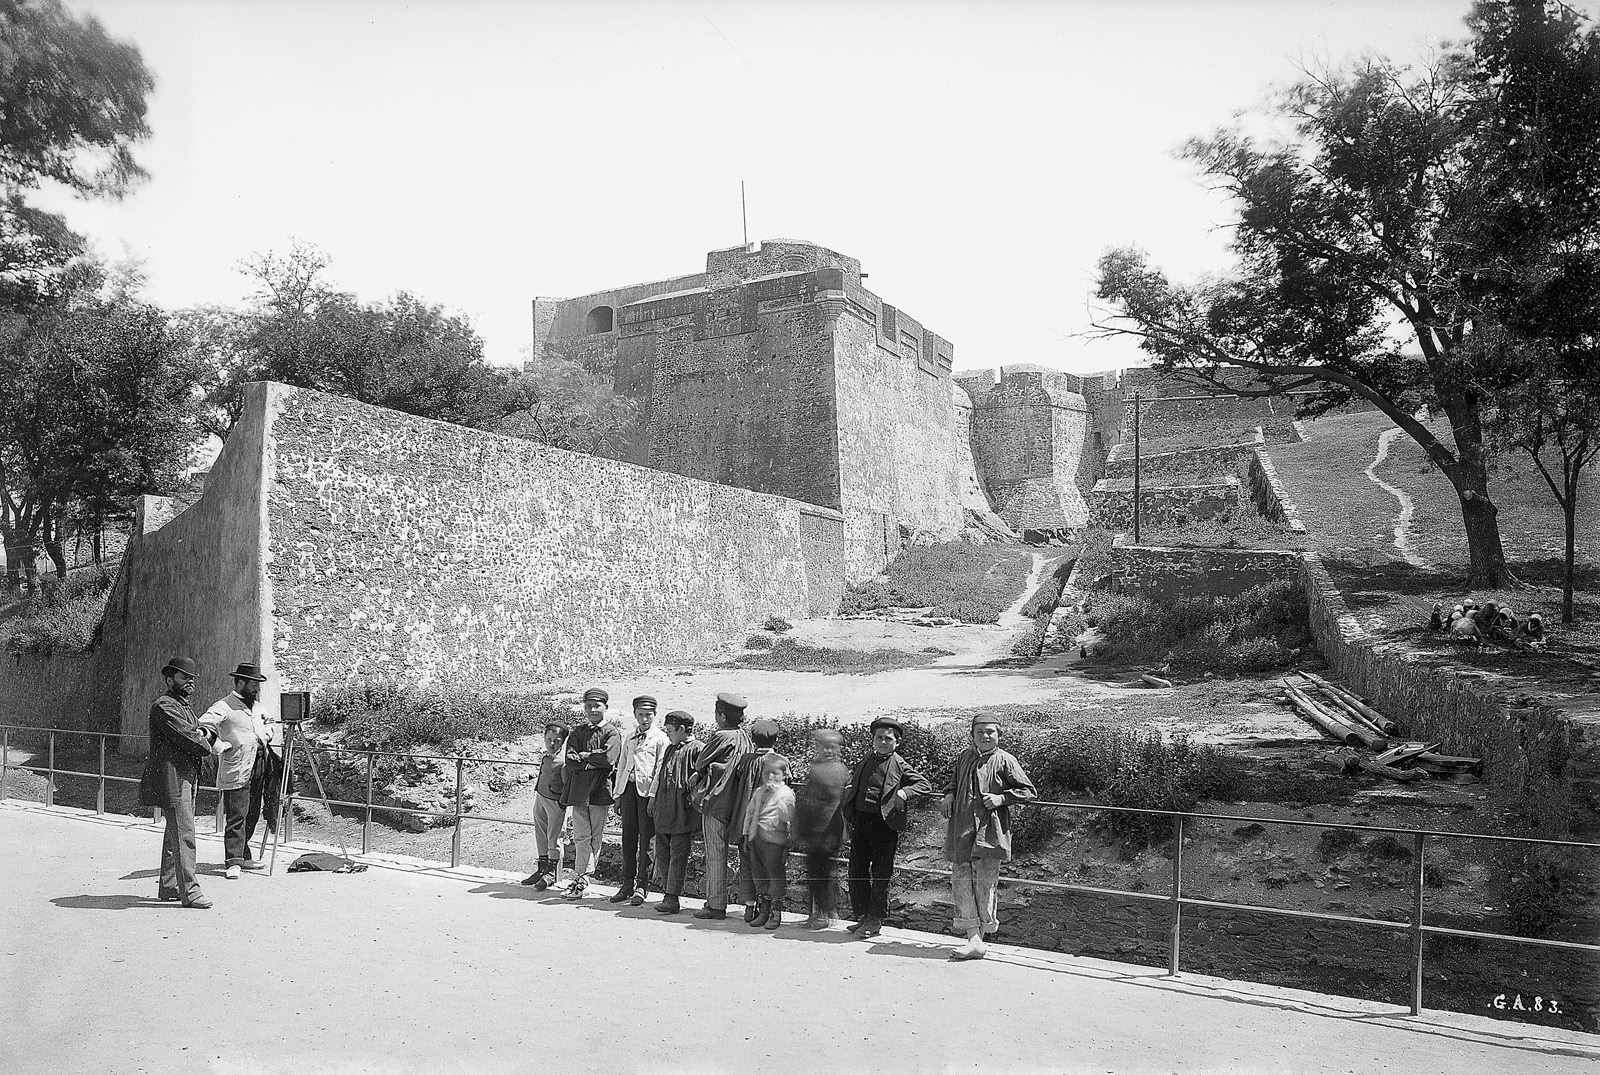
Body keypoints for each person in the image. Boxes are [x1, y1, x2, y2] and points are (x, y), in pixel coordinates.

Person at [940, 716, 1038, 961]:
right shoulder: (964, 756)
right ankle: (974, 937)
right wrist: (949, 794)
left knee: (985, 883)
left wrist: (1002, 798)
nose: (985, 736)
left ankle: (977, 940)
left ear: (998, 735)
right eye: (980, 732)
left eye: (990, 732)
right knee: (960, 880)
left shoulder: (1005, 759)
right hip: (961, 828)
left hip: (990, 831)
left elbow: (1029, 791)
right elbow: (953, 782)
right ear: (972, 734)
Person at [136, 656, 219, 909]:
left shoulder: (182, 706)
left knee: (176, 831)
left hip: (187, 775)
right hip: (173, 777)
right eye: (184, 678)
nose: (190, 682)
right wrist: (204, 737)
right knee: (184, 833)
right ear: (170, 679)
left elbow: (202, 730)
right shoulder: (165, 706)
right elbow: (192, 738)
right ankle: (191, 893)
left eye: (192, 678)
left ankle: (170, 885)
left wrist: (204, 733)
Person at [841, 716, 932, 939]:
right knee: (856, 871)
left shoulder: (899, 763)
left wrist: (904, 792)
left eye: (888, 739)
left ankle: (875, 920)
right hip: (861, 822)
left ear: (896, 742)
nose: (883, 742)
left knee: (881, 874)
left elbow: (924, 785)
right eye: (879, 738)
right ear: (873, 739)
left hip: (884, 825)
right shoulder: (866, 759)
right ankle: (862, 915)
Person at [198, 662, 275, 880]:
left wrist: (266, 734)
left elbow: (269, 723)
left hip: (259, 763)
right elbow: (205, 725)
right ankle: (232, 861)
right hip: (238, 765)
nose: (256, 689)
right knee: (237, 814)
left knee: (253, 811)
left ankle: (243, 854)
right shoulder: (224, 705)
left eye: (257, 685)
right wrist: (218, 746)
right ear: (240, 682)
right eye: (252, 684)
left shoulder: (258, 707)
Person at [689, 692, 753, 920]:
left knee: (716, 854)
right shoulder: (745, 737)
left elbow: (700, 761)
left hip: (716, 803)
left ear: (722, 716)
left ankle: (715, 905)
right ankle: (749, 904)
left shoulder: (721, 736)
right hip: (737, 804)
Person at [609, 695, 668, 906]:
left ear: (655, 715)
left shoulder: (661, 739)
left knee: (646, 840)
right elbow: (622, 764)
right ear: (634, 715)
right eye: (640, 715)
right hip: (628, 791)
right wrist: (618, 795)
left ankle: (642, 885)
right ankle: (626, 883)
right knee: (628, 838)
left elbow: (660, 770)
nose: (644, 719)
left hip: (646, 794)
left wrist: (653, 796)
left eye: (648, 715)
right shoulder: (630, 737)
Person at [560, 687, 618, 899]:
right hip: (579, 792)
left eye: (597, 706)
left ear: (605, 707)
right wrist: (591, 760)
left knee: (596, 835)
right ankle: (581, 877)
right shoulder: (577, 732)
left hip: (600, 791)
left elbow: (609, 759)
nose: (593, 709)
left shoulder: (611, 732)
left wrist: (586, 756)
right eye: (589, 706)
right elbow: (570, 759)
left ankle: (581, 878)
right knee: (581, 835)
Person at [729, 717, 786, 923]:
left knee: (747, 866)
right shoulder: (781, 762)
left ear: (753, 739)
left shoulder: (746, 761)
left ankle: (750, 907)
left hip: (747, 823)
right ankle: (768, 909)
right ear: (776, 739)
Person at [793, 729, 849, 930]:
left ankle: (824, 915)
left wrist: (815, 832)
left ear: (838, 749)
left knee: (821, 874)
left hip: (825, 833)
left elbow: (830, 805)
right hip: (816, 831)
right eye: (822, 746)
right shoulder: (819, 767)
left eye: (831, 747)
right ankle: (822, 913)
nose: (827, 750)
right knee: (817, 873)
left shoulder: (835, 770)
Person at [649, 710, 702, 915]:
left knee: (678, 855)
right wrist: (653, 798)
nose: (668, 734)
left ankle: (672, 898)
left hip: (682, 813)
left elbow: (708, 773)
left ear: (682, 729)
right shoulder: (671, 748)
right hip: (664, 810)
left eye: (671, 730)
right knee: (662, 854)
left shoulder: (698, 749)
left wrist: (698, 774)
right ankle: (666, 892)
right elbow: (662, 773)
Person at [740, 753, 795, 930]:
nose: (771, 777)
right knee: (759, 876)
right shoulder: (758, 792)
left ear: (784, 775)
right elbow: (749, 814)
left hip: (775, 843)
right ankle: (763, 910)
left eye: (775, 773)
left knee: (775, 878)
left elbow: (790, 818)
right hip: (757, 841)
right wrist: (746, 835)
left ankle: (775, 913)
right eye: (767, 773)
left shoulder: (787, 794)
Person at [521, 719, 569, 890]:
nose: (552, 743)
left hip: (555, 802)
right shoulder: (546, 757)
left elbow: (567, 784)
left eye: (557, 741)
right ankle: (542, 868)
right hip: (541, 797)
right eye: (549, 739)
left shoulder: (564, 761)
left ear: (563, 742)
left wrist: (563, 803)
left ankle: (553, 873)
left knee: (554, 836)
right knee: (540, 832)